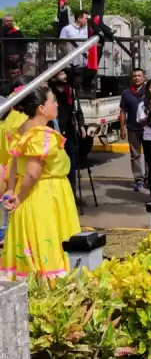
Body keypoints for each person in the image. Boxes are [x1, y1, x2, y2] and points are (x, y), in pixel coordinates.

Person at [1, 86, 81, 280]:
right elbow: (32, 173)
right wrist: (18, 196)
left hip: (28, 195)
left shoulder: (21, 130)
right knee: (48, 240)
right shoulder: (41, 134)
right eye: (52, 101)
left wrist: (12, 190)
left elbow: (13, 164)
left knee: (30, 241)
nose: (56, 104)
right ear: (41, 108)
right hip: (45, 195)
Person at [49, 69, 86, 199]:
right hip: (54, 131)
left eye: (64, 73)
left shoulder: (70, 90)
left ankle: (72, 193)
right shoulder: (50, 92)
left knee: (72, 163)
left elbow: (78, 109)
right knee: (57, 163)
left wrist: (81, 126)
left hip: (69, 131)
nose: (63, 76)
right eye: (60, 74)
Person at [119, 68, 147, 191]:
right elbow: (123, 111)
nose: (137, 78)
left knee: (150, 155)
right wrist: (122, 128)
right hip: (132, 129)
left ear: (144, 77)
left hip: (148, 129)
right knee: (135, 155)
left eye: (139, 75)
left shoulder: (150, 90)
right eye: (134, 76)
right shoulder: (126, 93)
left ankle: (149, 178)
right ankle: (139, 180)